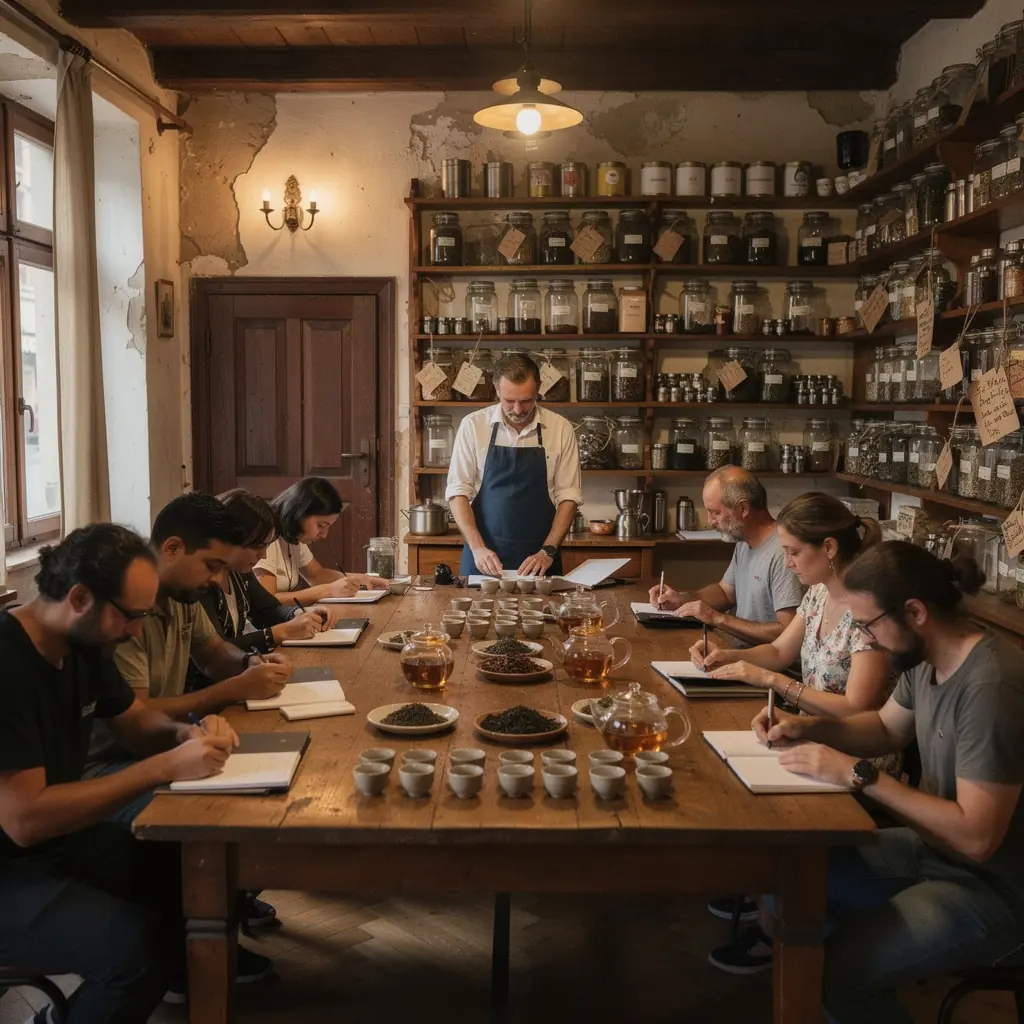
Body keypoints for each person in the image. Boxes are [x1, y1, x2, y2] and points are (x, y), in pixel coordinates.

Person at [755, 542, 1024, 1023]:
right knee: (785, 878)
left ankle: (849, 974)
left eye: (869, 625)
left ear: (915, 612)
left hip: (998, 890)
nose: (868, 640)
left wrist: (857, 774)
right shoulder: (924, 656)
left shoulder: (992, 687)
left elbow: (978, 838)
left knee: (839, 973)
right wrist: (806, 727)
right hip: (937, 853)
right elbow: (884, 728)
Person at [0, 524, 238, 1024]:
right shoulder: (8, 662)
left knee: (190, 871)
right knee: (135, 953)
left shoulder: (84, 645)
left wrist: (185, 733)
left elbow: (135, 724)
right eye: (131, 617)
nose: (136, 632)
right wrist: (163, 767)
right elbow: (25, 819)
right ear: (78, 597)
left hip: (54, 847)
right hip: (12, 866)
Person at [696, 493, 896, 974]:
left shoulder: (869, 606)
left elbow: (859, 709)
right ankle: (761, 887)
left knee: (755, 797)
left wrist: (775, 683)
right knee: (722, 771)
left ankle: (779, 925)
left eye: (792, 552)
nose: (786, 562)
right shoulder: (819, 592)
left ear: (829, 548)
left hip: (855, 750)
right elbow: (781, 652)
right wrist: (728, 658)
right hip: (808, 731)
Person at [445, 352, 582, 578]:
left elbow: (569, 496)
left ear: (538, 390)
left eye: (526, 400)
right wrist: (478, 548)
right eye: (509, 401)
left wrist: (548, 550)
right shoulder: (473, 426)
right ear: (496, 390)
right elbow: (457, 492)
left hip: (540, 562)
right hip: (483, 561)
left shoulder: (560, 428)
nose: (518, 410)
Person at [648, 467, 803, 646]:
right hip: (740, 654)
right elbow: (725, 593)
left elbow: (788, 632)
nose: (710, 521)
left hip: (764, 661)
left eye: (716, 512)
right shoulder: (744, 541)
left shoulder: (784, 552)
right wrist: (681, 599)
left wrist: (717, 618)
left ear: (743, 508)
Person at [195, 489, 347, 667]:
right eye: (257, 546)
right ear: (228, 539)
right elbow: (215, 653)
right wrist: (280, 633)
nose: (263, 556)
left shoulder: (239, 572)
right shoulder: (199, 583)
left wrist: (301, 613)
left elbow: (267, 610)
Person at [255, 476, 388, 603]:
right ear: (299, 513)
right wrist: (328, 591)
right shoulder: (268, 535)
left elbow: (316, 575)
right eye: (321, 525)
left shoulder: (294, 536)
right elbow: (268, 601)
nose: (324, 535)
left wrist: (361, 579)